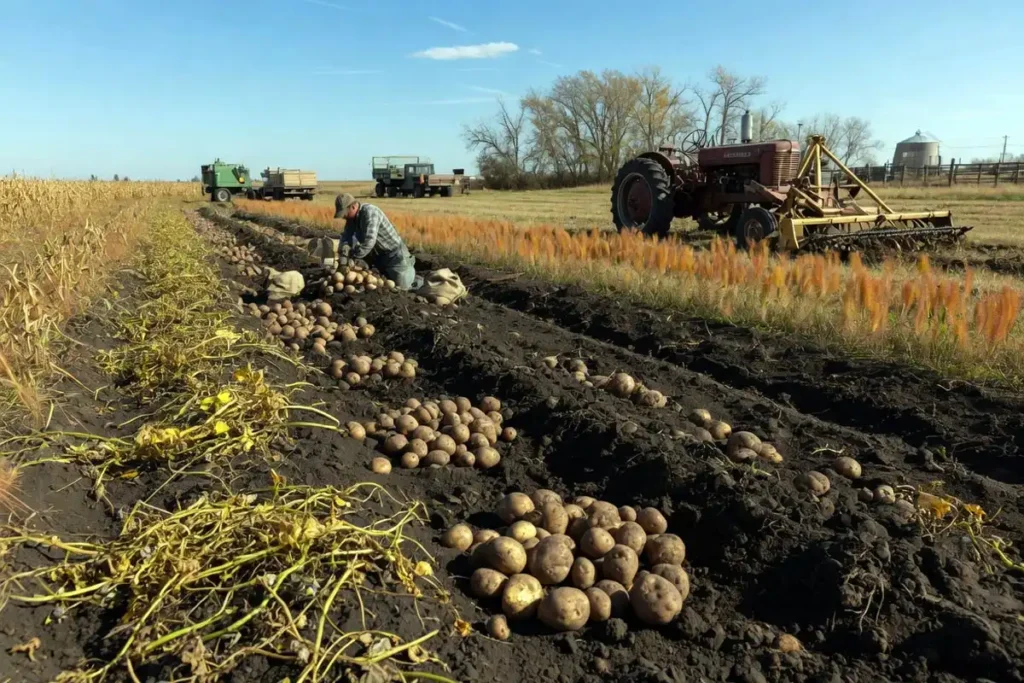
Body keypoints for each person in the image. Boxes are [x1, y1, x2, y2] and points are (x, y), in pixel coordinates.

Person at [334, 193, 422, 290]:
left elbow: (369, 242)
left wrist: (353, 257)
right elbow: (346, 236)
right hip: (378, 256)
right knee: (382, 282)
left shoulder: (370, 212)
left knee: (401, 286)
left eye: (345, 214)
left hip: (395, 255)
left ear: (353, 207)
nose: (344, 217)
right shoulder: (351, 219)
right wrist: (343, 251)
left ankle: (416, 278)